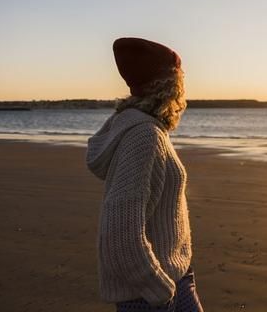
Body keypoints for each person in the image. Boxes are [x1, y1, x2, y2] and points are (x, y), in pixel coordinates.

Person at [86, 37, 204, 311]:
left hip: (175, 276)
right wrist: (158, 289)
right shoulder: (143, 137)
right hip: (151, 294)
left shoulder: (148, 129)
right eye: (180, 79)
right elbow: (120, 233)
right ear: (169, 84)